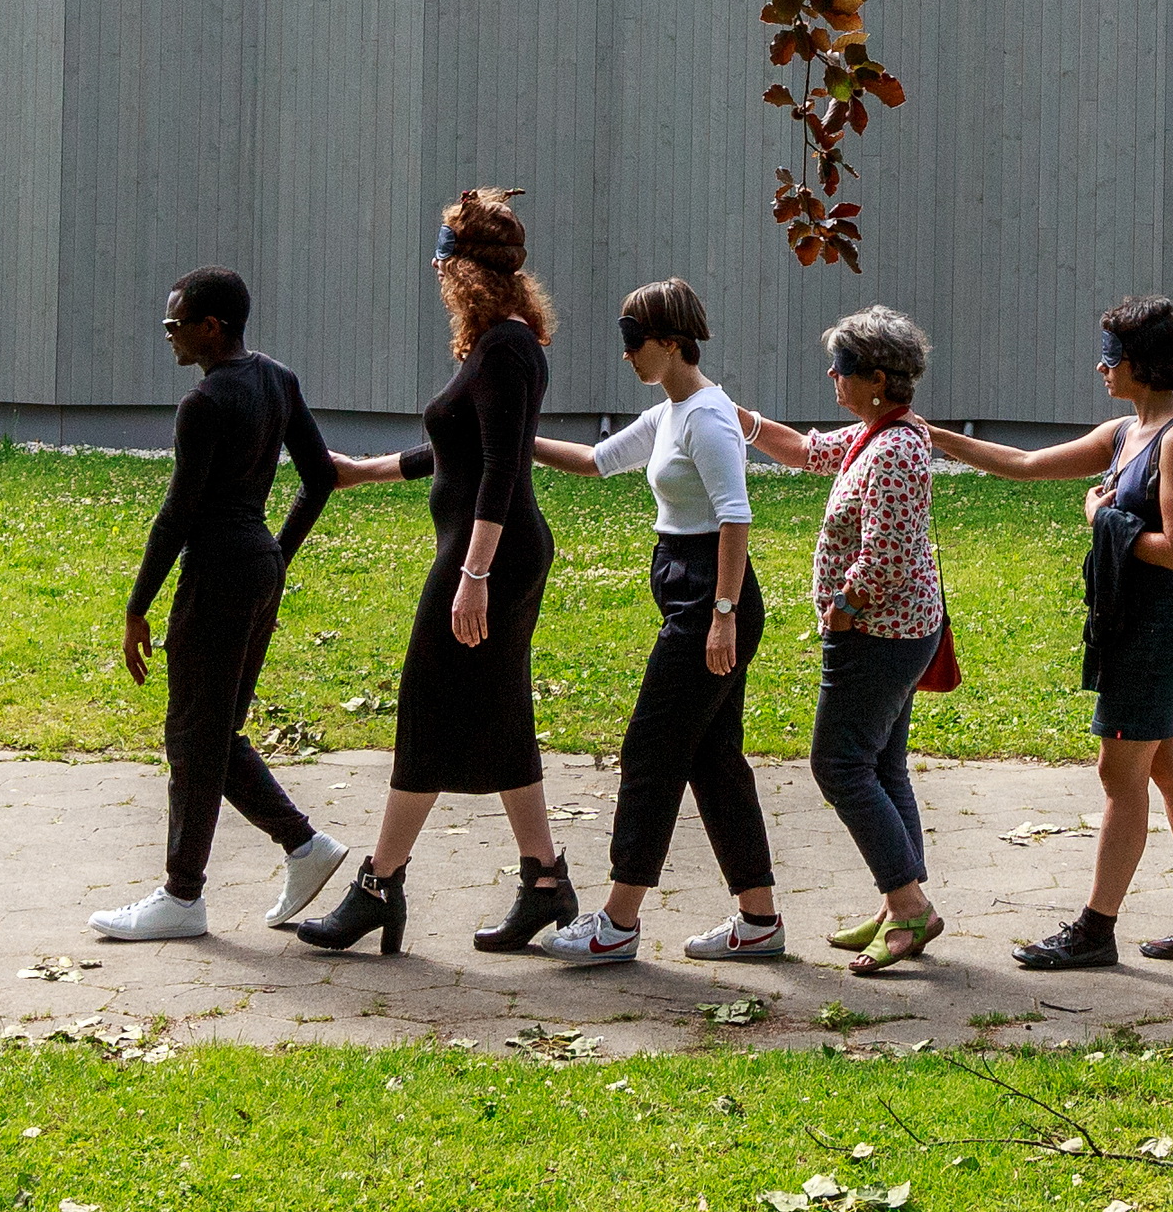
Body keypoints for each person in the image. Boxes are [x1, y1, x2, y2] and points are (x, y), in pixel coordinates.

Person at [919, 297, 1173, 970]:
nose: (1101, 365)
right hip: (1136, 621)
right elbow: (1028, 464)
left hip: (1161, 626)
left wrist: (1103, 517)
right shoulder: (1126, 433)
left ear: (1140, 363)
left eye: (1112, 355)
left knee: (1120, 772)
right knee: (1171, 768)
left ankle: (1096, 929)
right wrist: (940, 438)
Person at [295, 189, 575, 957]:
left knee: (427, 701)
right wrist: (364, 471)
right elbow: (458, 445)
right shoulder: (498, 346)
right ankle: (545, 882)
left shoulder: (511, 350)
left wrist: (474, 572)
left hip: (493, 553)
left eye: (444, 250)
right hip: (491, 550)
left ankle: (378, 887)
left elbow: (500, 465)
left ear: (470, 268)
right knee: (500, 710)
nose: (435, 262)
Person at [511, 279, 781, 967]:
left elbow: (735, 516)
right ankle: (759, 919)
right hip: (693, 594)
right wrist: (514, 435)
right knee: (714, 757)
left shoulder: (708, 417)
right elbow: (596, 462)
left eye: (635, 341)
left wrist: (720, 616)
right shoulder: (671, 412)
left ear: (669, 341)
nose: (626, 354)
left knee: (651, 750)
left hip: (708, 602)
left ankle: (618, 922)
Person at [88, 267, 355, 942]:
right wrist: (275, 552)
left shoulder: (203, 402)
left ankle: (183, 896)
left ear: (213, 326)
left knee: (191, 736)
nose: (169, 333)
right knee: (216, 732)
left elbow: (177, 514)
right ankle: (303, 846)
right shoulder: (276, 378)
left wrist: (136, 606)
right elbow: (320, 475)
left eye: (176, 322)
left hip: (216, 576)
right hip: (257, 566)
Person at [744, 307, 956, 978]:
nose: (831, 375)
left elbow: (886, 556)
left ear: (876, 378)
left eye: (842, 365)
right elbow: (809, 451)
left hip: (878, 635)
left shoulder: (894, 449)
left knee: (838, 764)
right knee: (883, 766)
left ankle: (909, 903)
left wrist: (843, 607)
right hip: (894, 633)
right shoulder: (878, 432)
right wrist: (739, 420)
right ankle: (900, 906)